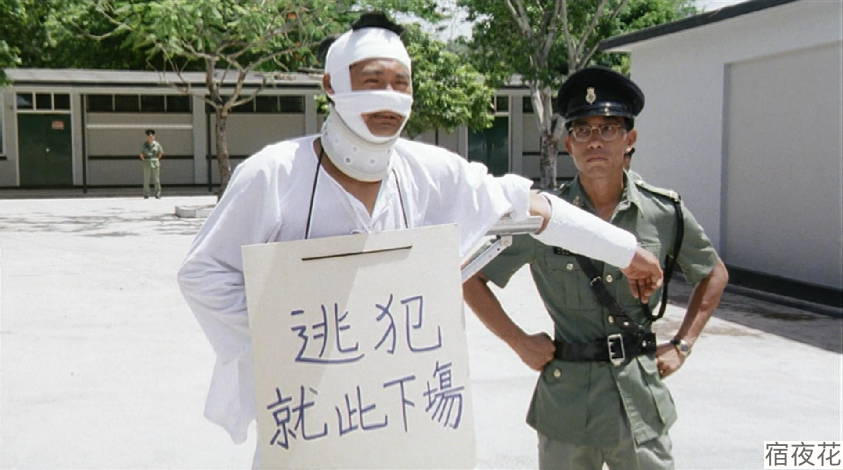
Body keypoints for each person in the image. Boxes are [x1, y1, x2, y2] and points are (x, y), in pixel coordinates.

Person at [176, 15, 663, 465]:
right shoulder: (273, 174)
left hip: (403, 421)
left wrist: (626, 252)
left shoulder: (429, 170)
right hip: (309, 420)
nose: (389, 98)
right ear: (331, 85)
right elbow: (203, 274)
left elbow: (529, 207)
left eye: (400, 83)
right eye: (372, 81)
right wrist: (290, 337)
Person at [463, 66, 729, 470]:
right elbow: (469, 275)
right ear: (568, 144)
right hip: (567, 405)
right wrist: (517, 341)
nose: (595, 141)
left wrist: (683, 345)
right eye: (583, 130)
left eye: (608, 128)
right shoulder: (543, 219)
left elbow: (713, 273)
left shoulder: (661, 212)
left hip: (638, 402)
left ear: (630, 139)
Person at [139, 129, 163, 199]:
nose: (150, 137)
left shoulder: (157, 144)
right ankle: (146, 194)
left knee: (156, 179)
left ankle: (157, 194)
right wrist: (145, 160)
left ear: (154, 136)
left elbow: (160, 153)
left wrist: (156, 159)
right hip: (147, 162)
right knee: (146, 179)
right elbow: (141, 154)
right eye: (149, 136)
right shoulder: (144, 145)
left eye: (151, 136)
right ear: (146, 136)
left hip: (155, 162)